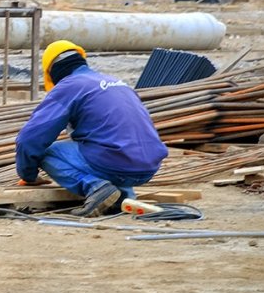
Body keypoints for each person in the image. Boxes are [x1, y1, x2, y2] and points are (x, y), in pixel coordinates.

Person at [15, 40, 168, 216]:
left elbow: (29, 140)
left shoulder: (70, 86)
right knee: (106, 145)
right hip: (147, 167)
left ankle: (95, 187)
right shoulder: (116, 82)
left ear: (53, 72)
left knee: (48, 152)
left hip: (113, 163)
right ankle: (123, 197)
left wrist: (28, 175)